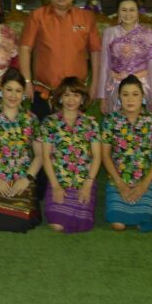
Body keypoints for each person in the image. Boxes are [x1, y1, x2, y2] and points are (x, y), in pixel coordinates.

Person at [19, 0, 101, 121]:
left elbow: (95, 51)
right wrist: (27, 81)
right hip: (44, 90)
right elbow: (25, 48)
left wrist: (95, 83)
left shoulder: (86, 17)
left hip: (76, 93)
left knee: (75, 133)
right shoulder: (37, 16)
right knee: (43, 132)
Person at [0, 68, 43, 232]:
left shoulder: (31, 119)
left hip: (22, 179)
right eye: (9, 90)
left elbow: (40, 155)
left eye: (18, 91)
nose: (13, 95)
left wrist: (27, 179)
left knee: (24, 222)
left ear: (24, 93)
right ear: (1, 90)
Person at [100, 75, 152, 232]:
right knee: (117, 223)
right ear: (119, 97)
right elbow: (105, 155)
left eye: (135, 94)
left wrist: (144, 185)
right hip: (118, 180)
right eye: (125, 94)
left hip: (145, 181)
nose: (130, 99)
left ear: (143, 97)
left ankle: (145, 202)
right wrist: (120, 183)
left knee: (144, 220)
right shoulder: (110, 121)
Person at [41, 77, 101, 233]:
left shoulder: (91, 123)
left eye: (76, 95)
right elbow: (46, 157)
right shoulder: (50, 123)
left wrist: (88, 185)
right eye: (66, 95)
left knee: (83, 224)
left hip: (84, 182)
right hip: (59, 181)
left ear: (82, 99)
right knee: (56, 224)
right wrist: (55, 186)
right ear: (60, 98)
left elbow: (97, 157)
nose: (71, 100)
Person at [98, 0, 152, 115]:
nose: (128, 14)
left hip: (141, 87)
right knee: (117, 123)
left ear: (138, 12)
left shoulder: (147, 34)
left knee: (141, 123)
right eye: (124, 10)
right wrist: (103, 97)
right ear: (118, 12)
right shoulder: (109, 33)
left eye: (132, 10)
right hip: (116, 87)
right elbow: (105, 65)